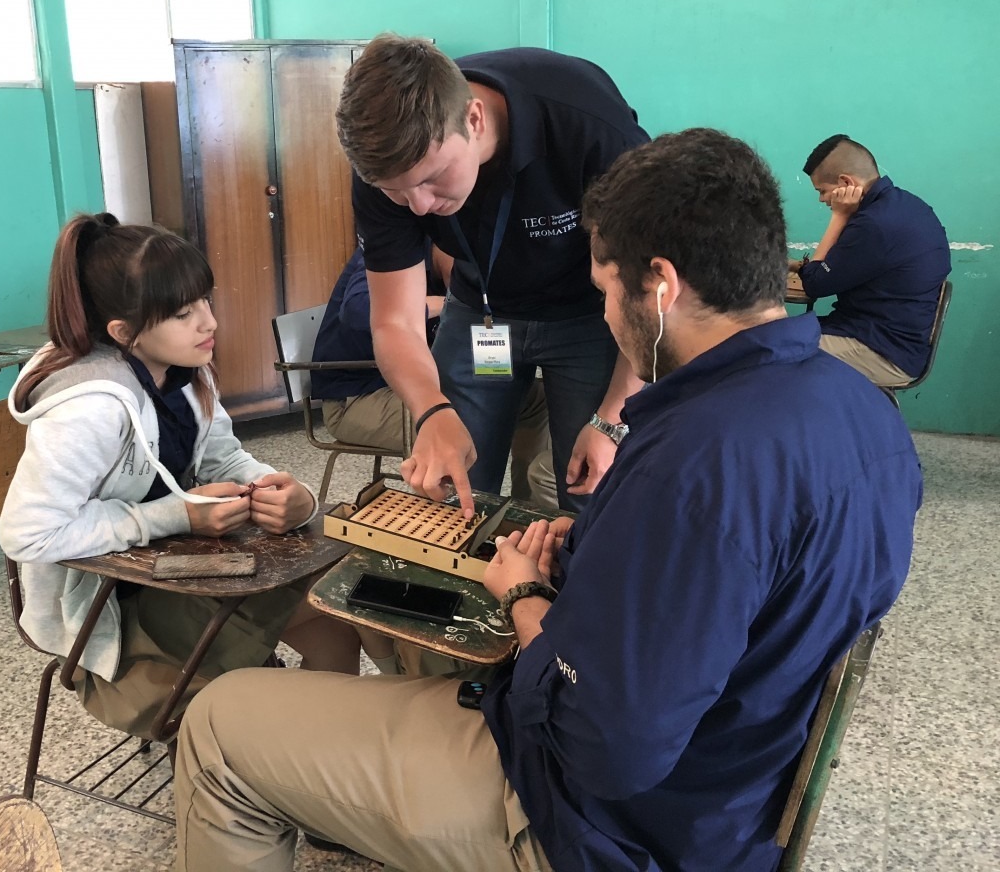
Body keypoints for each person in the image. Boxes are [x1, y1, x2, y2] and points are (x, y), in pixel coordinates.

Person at [169, 129, 921, 872]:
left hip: (604, 827)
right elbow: (744, 592)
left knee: (218, 725)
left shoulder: (691, 467)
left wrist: (525, 595)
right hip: (735, 795)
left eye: (605, 290)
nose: (606, 316)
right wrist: (599, 551)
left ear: (660, 285)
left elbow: (604, 748)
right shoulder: (863, 411)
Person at [0, 213, 361, 740]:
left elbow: (223, 458)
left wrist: (291, 494)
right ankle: (298, 760)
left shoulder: (186, 370)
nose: (209, 323)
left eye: (205, 301)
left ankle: (331, 758)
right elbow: (28, 534)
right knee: (335, 605)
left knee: (338, 617)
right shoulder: (90, 408)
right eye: (183, 313)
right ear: (124, 333)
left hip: (181, 572)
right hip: (112, 612)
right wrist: (176, 516)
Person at [335, 33, 651, 517]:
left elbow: (646, 295)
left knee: (591, 487)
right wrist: (431, 410)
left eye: (431, 178)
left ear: (475, 119)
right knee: (448, 488)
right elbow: (395, 321)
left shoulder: (588, 123)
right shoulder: (385, 167)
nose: (418, 206)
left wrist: (611, 421)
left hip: (592, 314)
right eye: (398, 192)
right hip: (481, 308)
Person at [313, 245, 557, 507]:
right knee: (467, 418)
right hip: (355, 398)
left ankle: (525, 510)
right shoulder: (397, 248)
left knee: (537, 400)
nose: (473, 278)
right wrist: (448, 303)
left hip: (417, 386)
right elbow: (357, 309)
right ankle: (457, 518)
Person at [789, 134, 951, 387]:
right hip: (878, 333)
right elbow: (842, 267)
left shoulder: (875, 224)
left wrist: (839, 216)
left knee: (767, 354)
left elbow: (815, 285)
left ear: (846, 183)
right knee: (773, 335)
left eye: (822, 191)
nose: (822, 199)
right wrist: (798, 265)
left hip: (882, 350)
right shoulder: (904, 205)